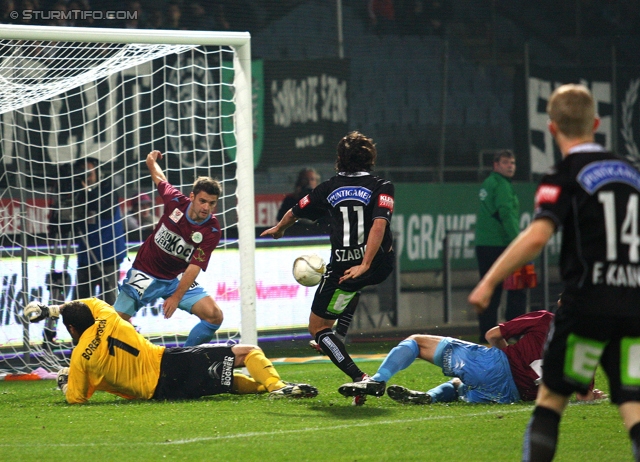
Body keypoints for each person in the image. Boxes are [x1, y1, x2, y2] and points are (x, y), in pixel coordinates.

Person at [468, 83, 640, 461]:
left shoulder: (563, 173)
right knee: (632, 405)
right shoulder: (630, 173)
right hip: (631, 307)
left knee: (550, 401)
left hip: (586, 308)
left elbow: (537, 235)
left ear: (551, 128)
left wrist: (490, 280)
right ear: (596, 123)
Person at [261, 131, 395, 406]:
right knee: (355, 283)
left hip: (346, 266)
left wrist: (279, 229)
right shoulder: (383, 185)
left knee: (317, 329)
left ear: (339, 160)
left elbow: (297, 209)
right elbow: (379, 224)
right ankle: (340, 336)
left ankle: (360, 377)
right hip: (381, 263)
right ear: (370, 157)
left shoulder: (328, 188)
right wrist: (368, 263)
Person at [23, 298, 318, 404]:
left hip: (160, 393)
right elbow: (87, 303)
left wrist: (65, 383)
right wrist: (50, 309)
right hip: (168, 363)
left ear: (73, 330)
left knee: (221, 383)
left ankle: (269, 390)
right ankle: (277, 386)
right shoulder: (106, 314)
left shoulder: (80, 360)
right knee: (247, 352)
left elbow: (76, 399)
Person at [113, 150, 224, 347]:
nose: (206, 207)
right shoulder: (175, 202)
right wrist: (150, 161)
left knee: (214, 316)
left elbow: (194, 267)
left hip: (175, 278)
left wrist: (176, 297)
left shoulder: (212, 230)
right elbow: (160, 178)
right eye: (203, 201)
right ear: (192, 197)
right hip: (145, 272)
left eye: (212, 203)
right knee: (113, 325)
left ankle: (183, 360)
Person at [475, 149, 526, 343]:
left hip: (485, 245)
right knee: (517, 292)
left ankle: (486, 334)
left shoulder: (489, 183)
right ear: (496, 165)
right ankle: (513, 334)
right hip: (503, 246)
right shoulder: (502, 185)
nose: (510, 166)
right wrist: (520, 243)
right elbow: (506, 215)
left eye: (512, 163)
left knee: (490, 291)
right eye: (506, 162)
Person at [73, 157, 127, 306]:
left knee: (108, 302)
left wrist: (87, 191)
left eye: (88, 172)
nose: (86, 176)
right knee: (81, 304)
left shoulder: (108, 189)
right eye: (82, 172)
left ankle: (109, 329)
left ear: (98, 172)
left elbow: (105, 211)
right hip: (86, 256)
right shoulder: (78, 193)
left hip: (108, 255)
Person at [276, 167, 329, 236]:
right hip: (295, 234)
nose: (309, 182)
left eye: (312, 179)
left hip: (319, 234)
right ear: (300, 182)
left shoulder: (323, 200)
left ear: (317, 182)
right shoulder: (290, 199)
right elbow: (280, 217)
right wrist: (295, 200)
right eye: (305, 179)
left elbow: (328, 220)